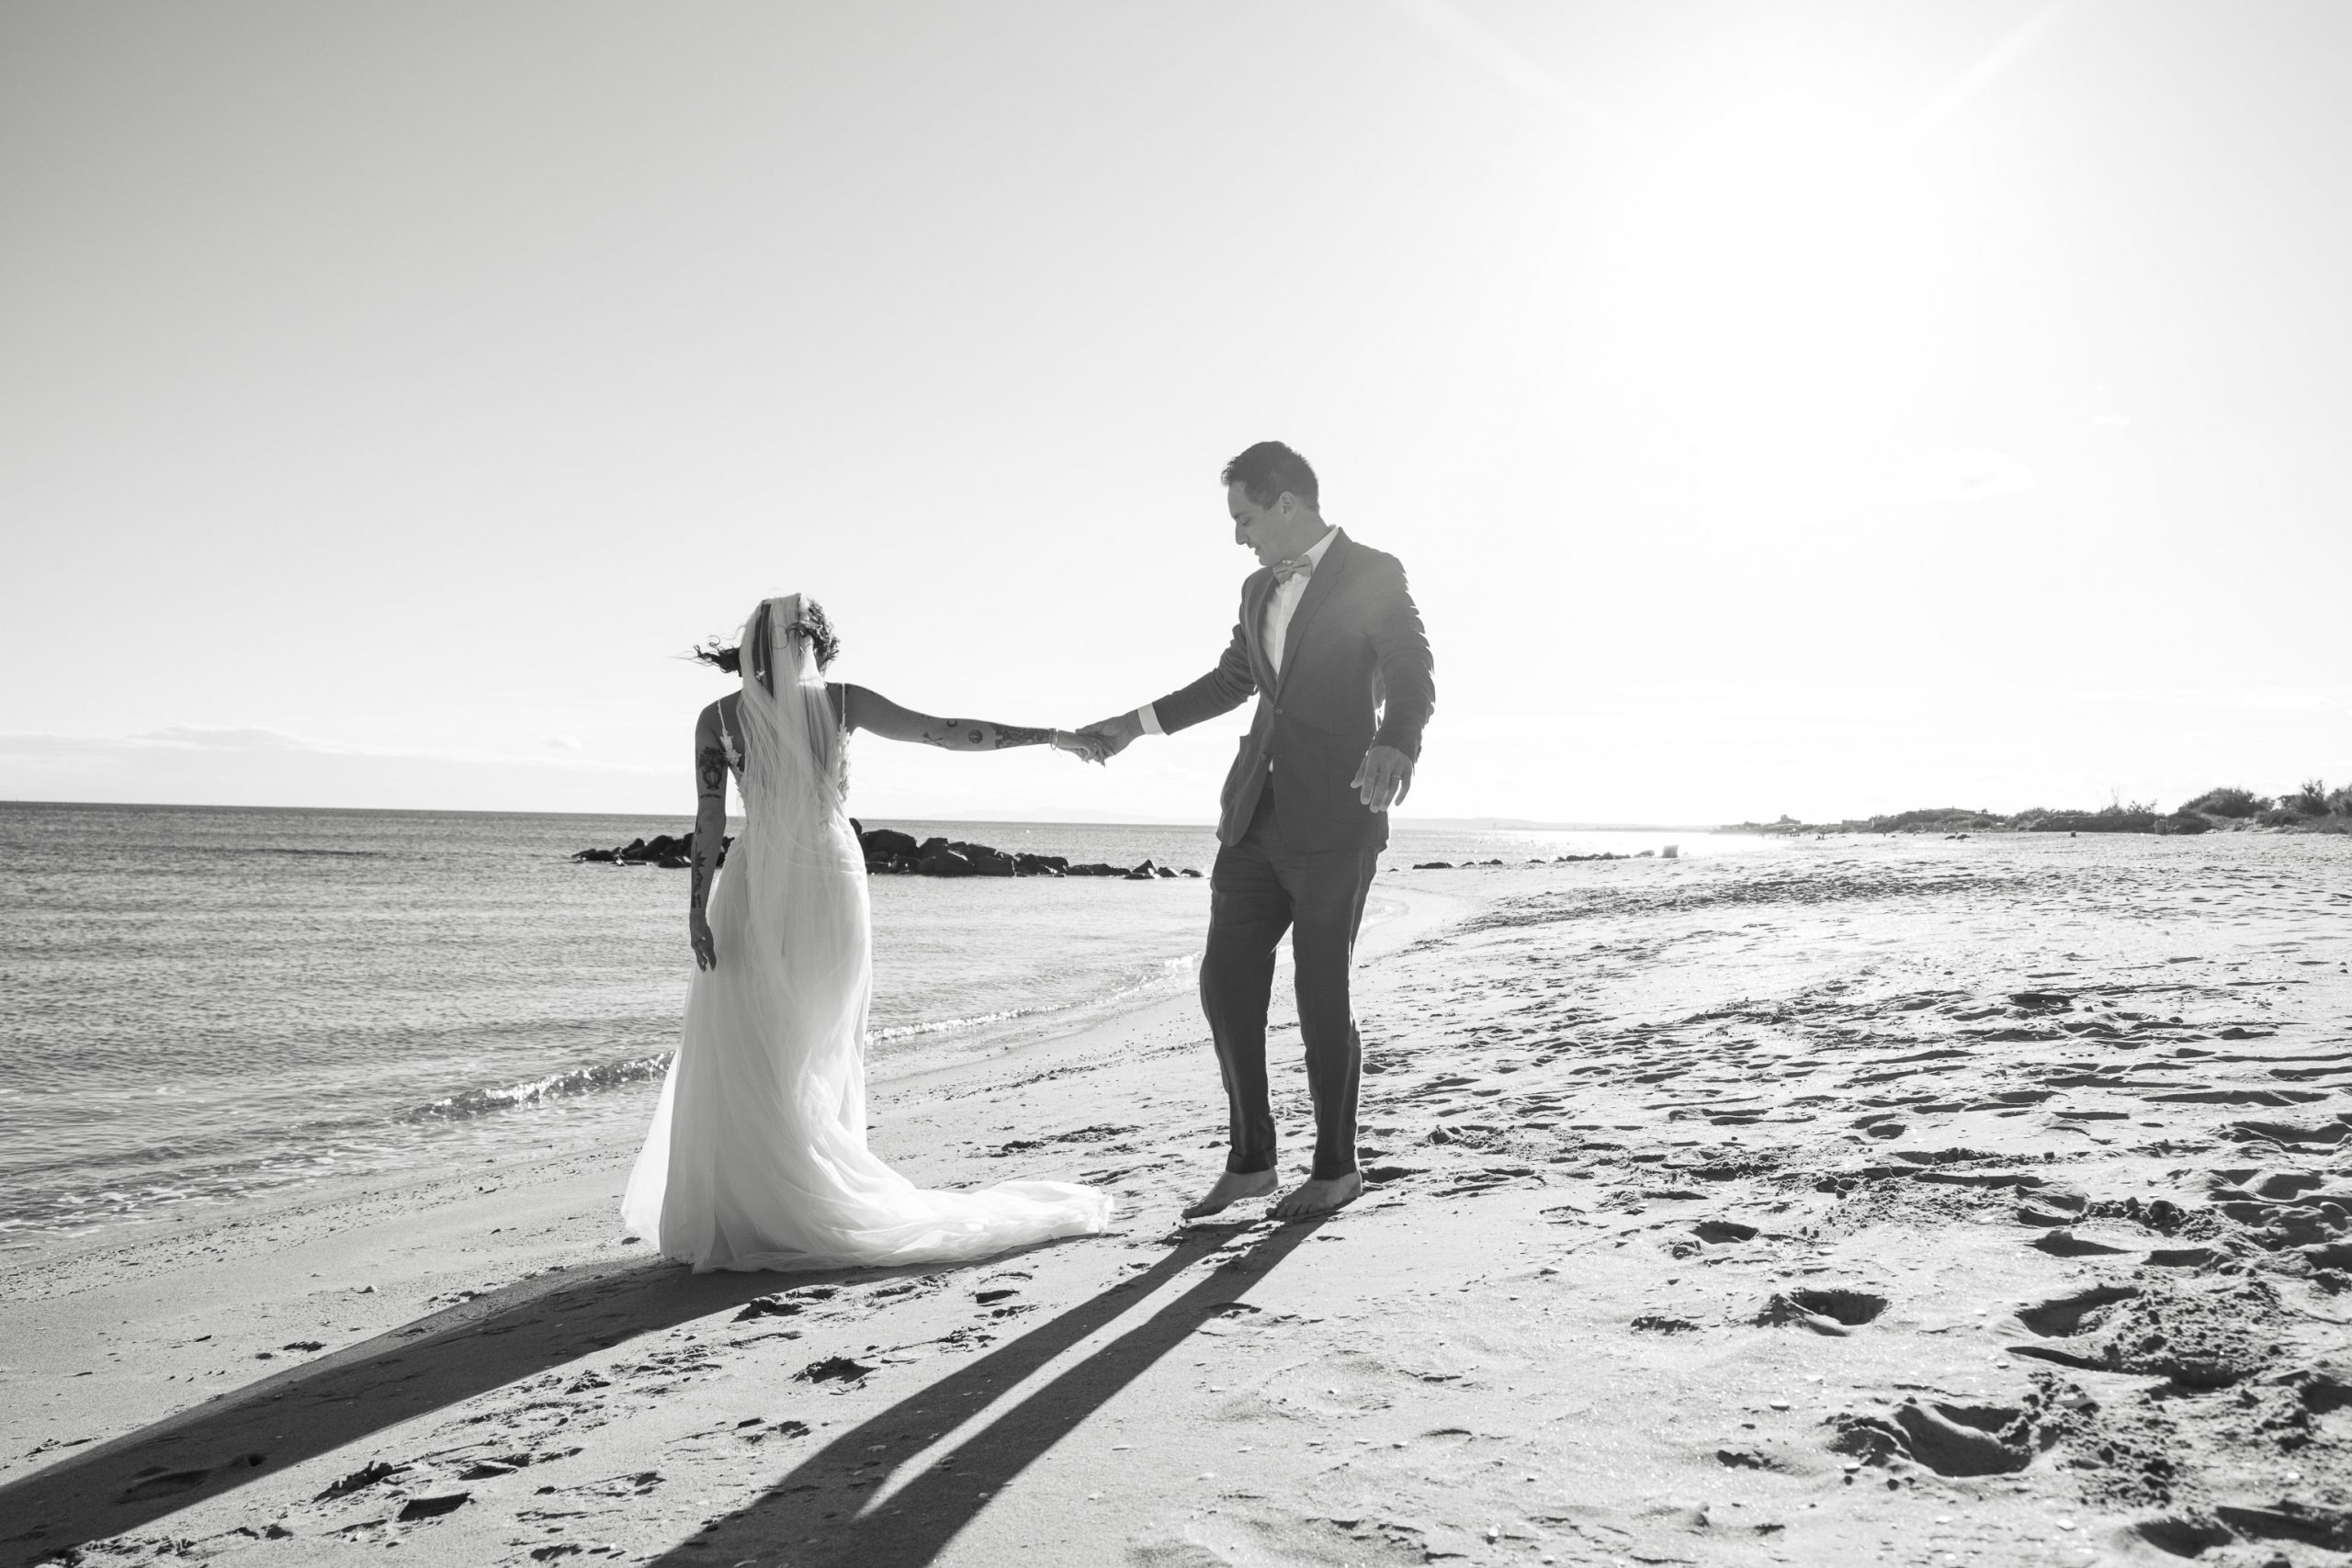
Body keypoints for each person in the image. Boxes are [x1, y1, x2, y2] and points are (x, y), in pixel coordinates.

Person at [621, 594, 1112, 1272]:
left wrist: (696, 908)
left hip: (753, 880)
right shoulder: (841, 703)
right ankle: (804, 1189)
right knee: (815, 1042)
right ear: (816, 645)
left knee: (751, 1039)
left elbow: (709, 819)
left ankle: (754, 1206)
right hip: (828, 878)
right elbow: (944, 731)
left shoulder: (718, 717)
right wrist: (1053, 736)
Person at [1079, 442, 1434, 1221]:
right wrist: (1133, 725)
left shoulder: (1372, 571)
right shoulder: (1255, 589)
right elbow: (1230, 681)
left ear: (1286, 503)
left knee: (1321, 991)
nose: (1239, 534)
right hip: (1252, 813)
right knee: (1225, 980)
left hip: (1337, 812)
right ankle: (1251, 1162)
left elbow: (1412, 666)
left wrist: (1397, 740)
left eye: (1245, 517)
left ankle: (1336, 1169)